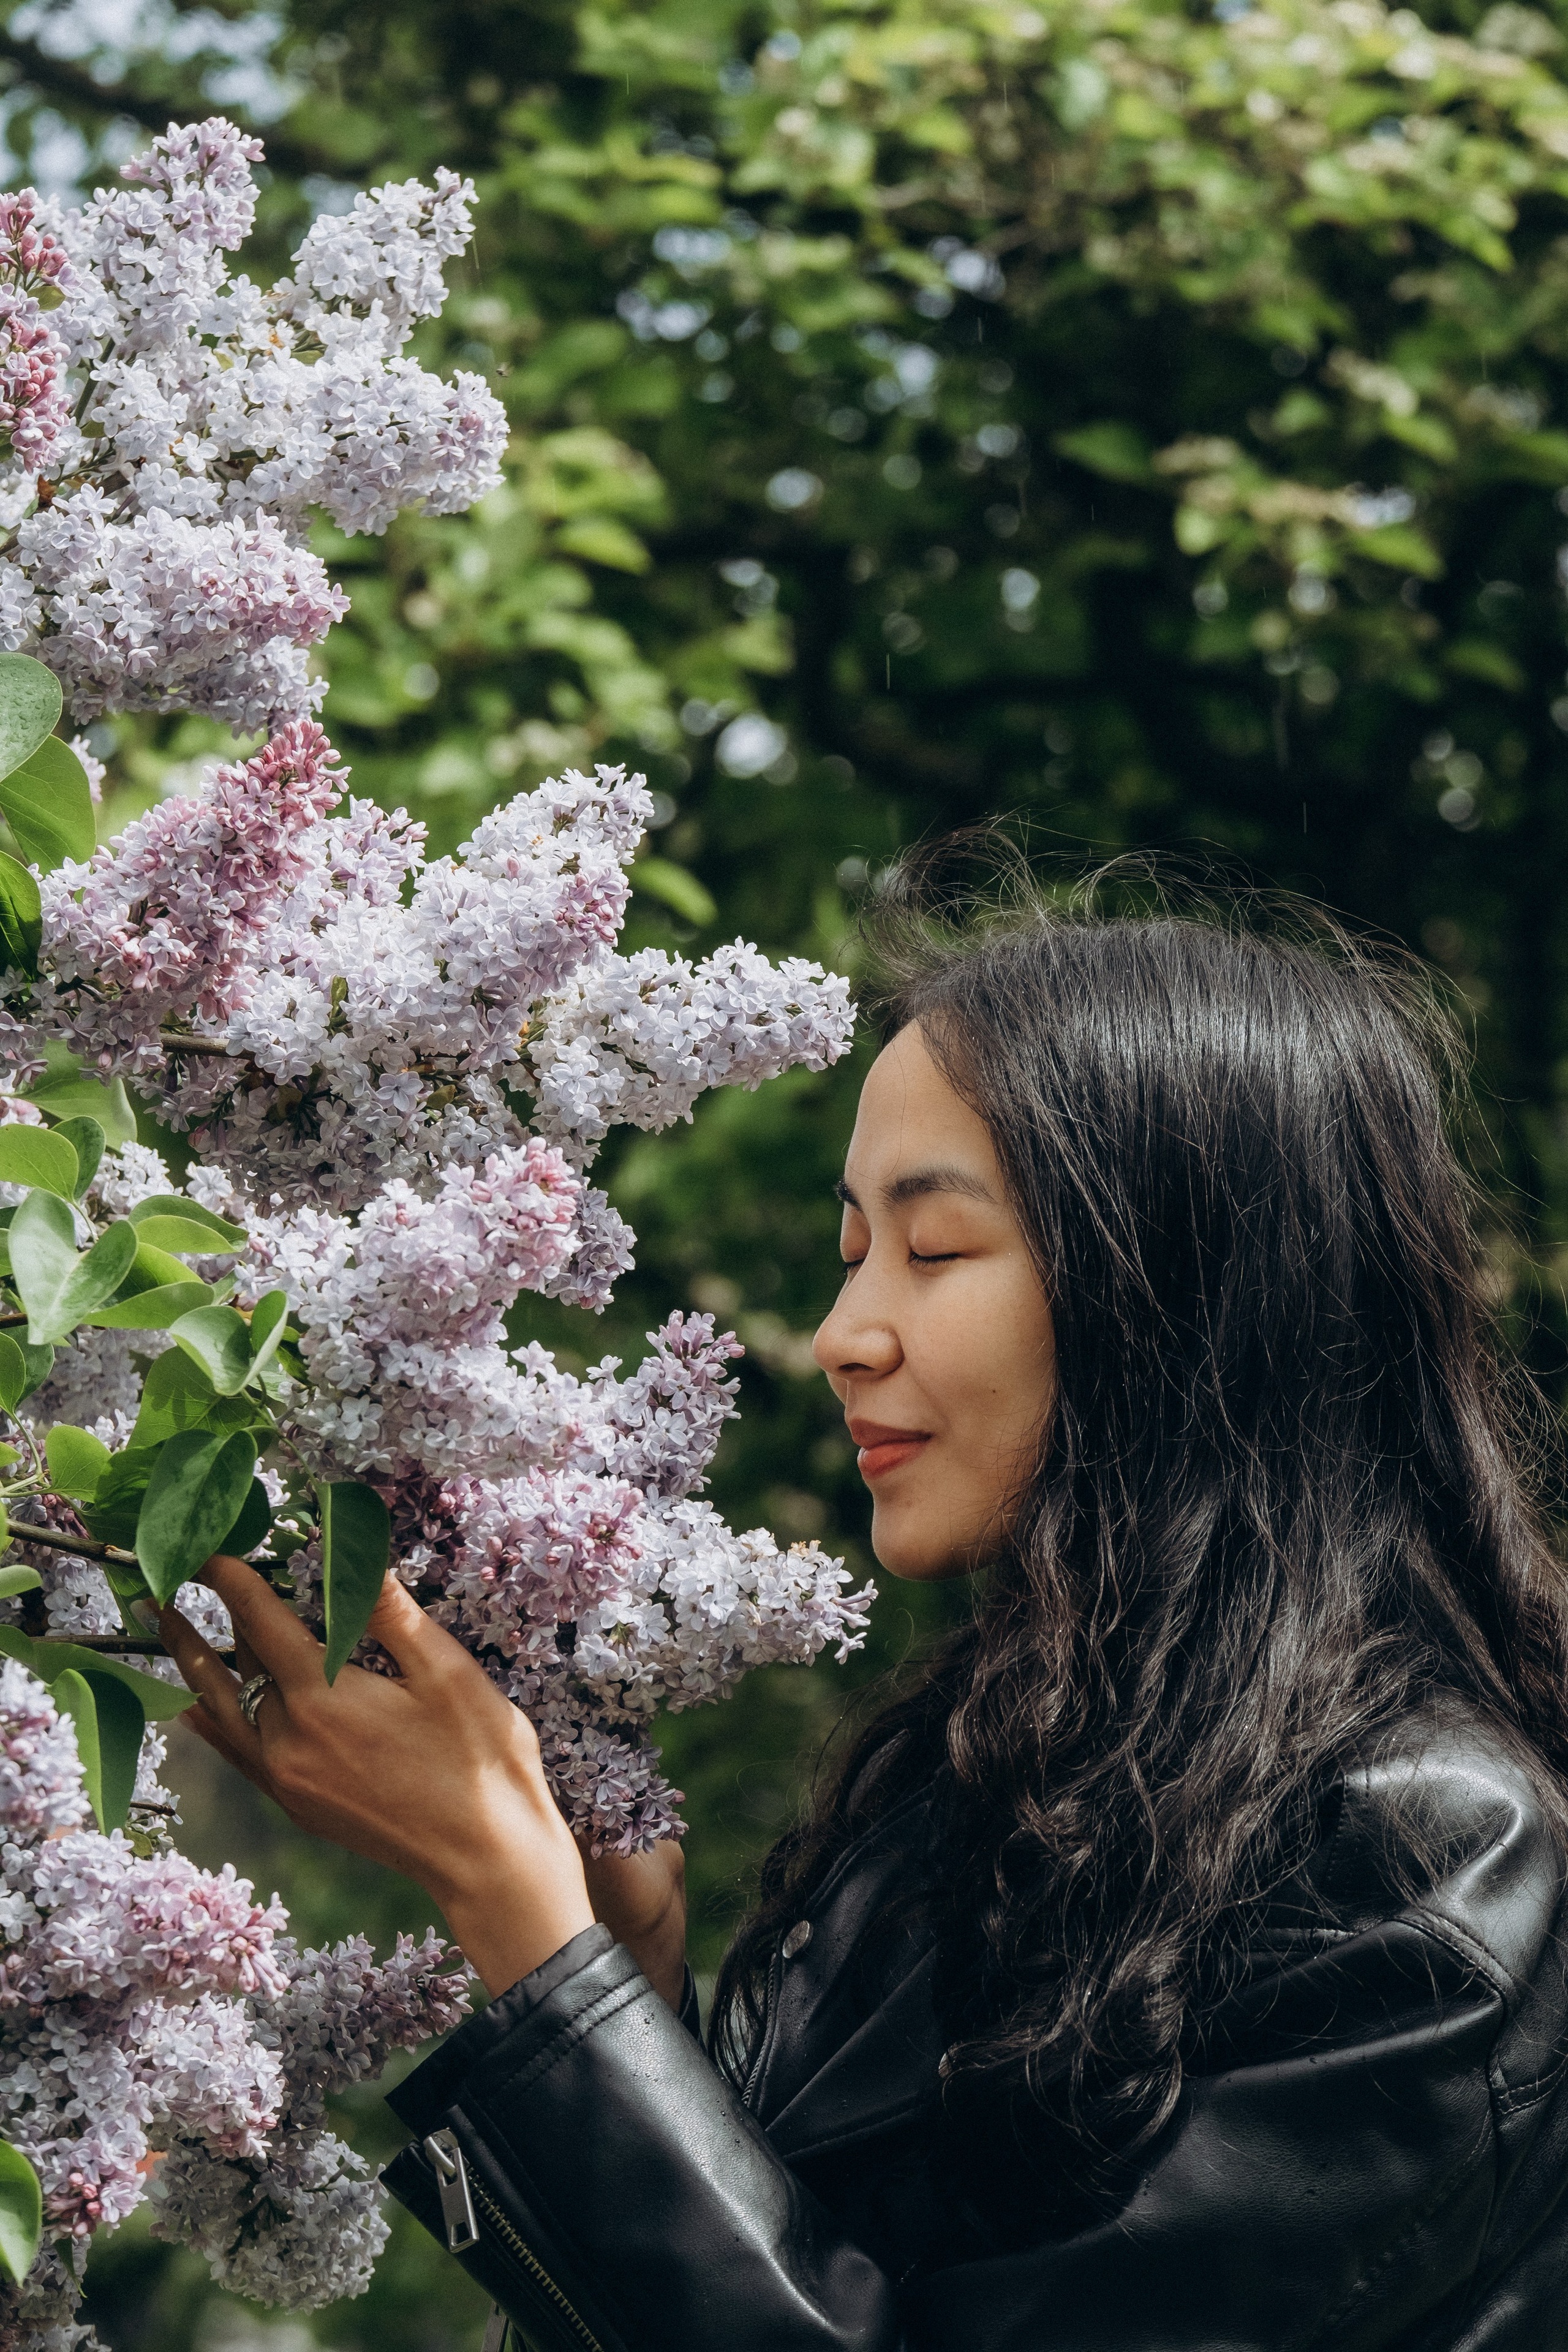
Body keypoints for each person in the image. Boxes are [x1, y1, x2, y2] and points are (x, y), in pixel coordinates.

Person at [161, 875, 1568, 2352]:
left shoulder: (1418, 1861)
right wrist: (625, 1979)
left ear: (1182, 1291)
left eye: (933, 1249)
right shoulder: (998, 1787)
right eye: (851, 1255)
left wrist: (509, 1906)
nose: (843, 1336)